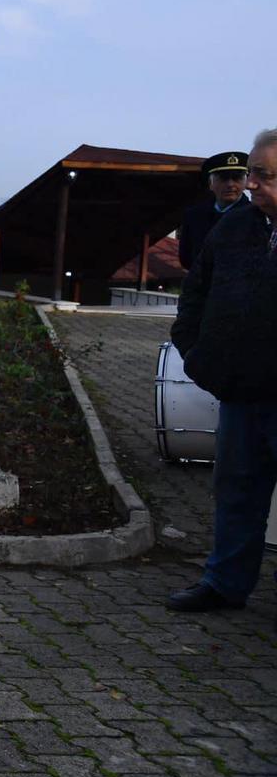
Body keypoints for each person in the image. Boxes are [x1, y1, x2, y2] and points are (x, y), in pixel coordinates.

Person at [165, 129, 277, 619]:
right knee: (236, 493)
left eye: (262, 175)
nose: (249, 184)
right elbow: (196, 291)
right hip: (240, 392)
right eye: (251, 173)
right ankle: (225, 584)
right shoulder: (234, 227)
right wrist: (195, 353)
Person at [178, 151, 250, 272]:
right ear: (210, 183)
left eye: (237, 178)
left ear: (246, 182)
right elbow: (186, 259)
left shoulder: (258, 216)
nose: (230, 184)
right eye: (223, 178)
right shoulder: (194, 216)